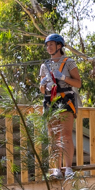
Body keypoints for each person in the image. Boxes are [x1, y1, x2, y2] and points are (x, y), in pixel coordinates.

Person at [38, 33, 82, 179]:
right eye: (47, 45)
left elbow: (78, 83)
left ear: (59, 46)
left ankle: (68, 168)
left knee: (66, 135)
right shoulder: (45, 66)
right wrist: (44, 83)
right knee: (54, 136)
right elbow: (41, 89)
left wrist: (63, 77)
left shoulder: (69, 62)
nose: (48, 47)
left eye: (51, 44)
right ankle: (56, 168)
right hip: (51, 100)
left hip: (65, 99)